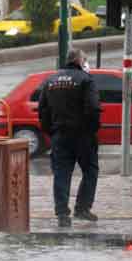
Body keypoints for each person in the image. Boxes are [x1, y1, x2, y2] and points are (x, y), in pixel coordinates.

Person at [38, 49, 101, 227]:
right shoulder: (86, 80)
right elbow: (94, 108)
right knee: (90, 171)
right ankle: (82, 208)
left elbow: (43, 110)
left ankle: (62, 215)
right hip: (82, 135)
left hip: (60, 135)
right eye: (85, 59)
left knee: (61, 174)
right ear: (80, 60)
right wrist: (91, 130)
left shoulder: (50, 81)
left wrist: (50, 131)